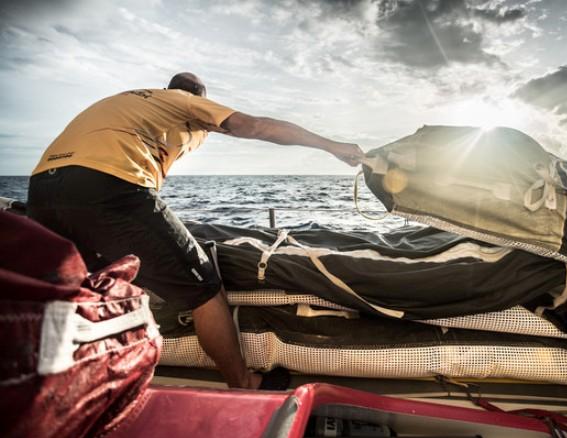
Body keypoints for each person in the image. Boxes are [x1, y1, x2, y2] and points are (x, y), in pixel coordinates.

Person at [27, 72, 364, 389]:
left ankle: (56, 382)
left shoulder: (129, 102)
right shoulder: (182, 101)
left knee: (73, 291)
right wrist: (331, 146)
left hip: (42, 189)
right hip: (108, 185)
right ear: (198, 98)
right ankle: (244, 383)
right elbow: (258, 127)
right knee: (204, 289)